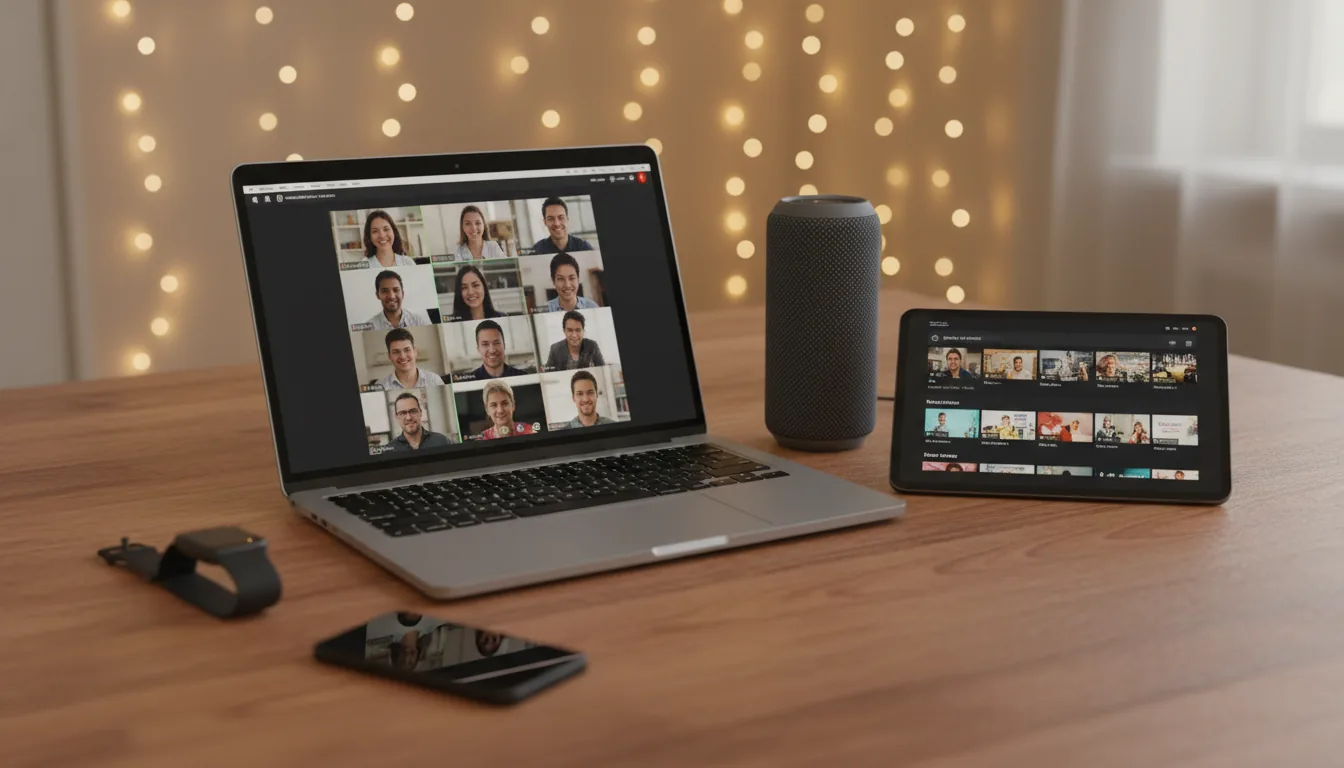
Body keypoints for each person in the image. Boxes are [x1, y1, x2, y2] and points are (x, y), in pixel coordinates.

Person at [377, 329, 445, 390]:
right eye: (396, 352)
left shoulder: (434, 380)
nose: (402, 356)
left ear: (415, 352)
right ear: (389, 356)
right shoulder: (380, 386)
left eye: (407, 350)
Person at [387, 392, 453, 451]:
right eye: (402, 413)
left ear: (420, 413)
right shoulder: (390, 450)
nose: (409, 418)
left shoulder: (441, 441)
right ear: (396, 417)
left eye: (413, 411)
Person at [530, 197, 594, 253]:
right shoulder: (537, 250)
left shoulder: (584, 248)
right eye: (551, 219)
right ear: (545, 222)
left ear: (567, 219)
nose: (557, 223)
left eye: (561, 217)